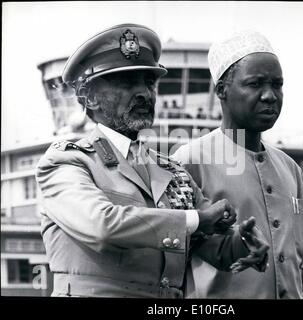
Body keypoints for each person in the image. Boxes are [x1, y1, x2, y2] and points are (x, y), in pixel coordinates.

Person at [36, 24, 269, 298]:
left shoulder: (171, 170)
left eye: (148, 82)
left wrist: (243, 242)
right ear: (89, 98)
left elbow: (215, 246)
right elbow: (102, 225)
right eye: (126, 82)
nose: (144, 93)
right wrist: (196, 218)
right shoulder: (66, 161)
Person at [173, 30, 303, 299]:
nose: (270, 95)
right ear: (222, 91)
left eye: (277, 84)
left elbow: (296, 254)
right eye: (255, 84)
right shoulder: (188, 161)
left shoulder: (292, 169)